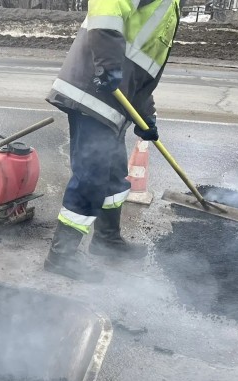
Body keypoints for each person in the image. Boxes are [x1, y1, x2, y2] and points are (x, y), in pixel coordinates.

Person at [44, 0, 181, 282]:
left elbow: (143, 70)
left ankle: (106, 240)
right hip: (92, 91)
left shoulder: (171, 6)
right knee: (91, 178)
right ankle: (61, 256)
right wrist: (107, 64)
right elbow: (106, 8)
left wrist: (146, 117)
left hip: (116, 105)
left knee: (114, 178)